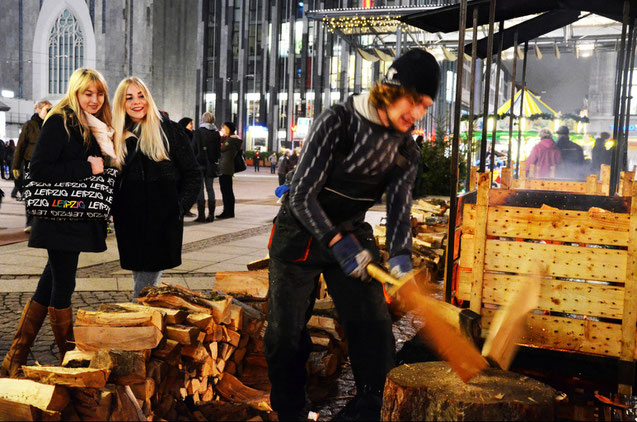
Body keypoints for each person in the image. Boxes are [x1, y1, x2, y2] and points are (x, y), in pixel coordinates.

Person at [265, 48, 440, 421]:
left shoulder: (405, 149)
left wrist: (400, 259)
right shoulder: (339, 121)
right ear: (391, 90)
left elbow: (398, 212)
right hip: (300, 230)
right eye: (414, 101)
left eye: (425, 106)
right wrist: (333, 240)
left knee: (374, 324)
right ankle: (291, 410)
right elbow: (301, 194)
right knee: (284, 332)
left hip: (351, 228)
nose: (417, 113)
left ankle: (369, 407)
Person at [0, 68, 114, 377]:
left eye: (99, 93)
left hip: (74, 218)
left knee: (50, 280)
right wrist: (86, 167)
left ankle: (15, 356)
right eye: (87, 93)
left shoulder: (92, 124)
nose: (94, 98)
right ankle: (69, 358)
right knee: (64, 283)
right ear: (75, 92)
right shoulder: (60, 121)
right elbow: (39, 169)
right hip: (60, 216)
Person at [111, 77, 200, 298]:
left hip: (161, 218)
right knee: (139, 274)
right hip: (129, 219)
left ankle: (136, 316)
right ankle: (145, 320)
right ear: (121, 103)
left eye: (141, 95)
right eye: (129, 97)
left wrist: (178, 208)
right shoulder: (117, 134)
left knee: (145, 281)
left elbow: (193, 174)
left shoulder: (169, 130)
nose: (136, 102)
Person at [12, 100, 53, 231]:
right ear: (38, 110)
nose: (49, 113)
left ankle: (43, 222)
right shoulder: (29, 125)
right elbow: (20, 146)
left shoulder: (51, 125)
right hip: (30, 164)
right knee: (31, 194)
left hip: (48, 164)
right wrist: (15, 166)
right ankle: (30, 223)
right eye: (47, 110)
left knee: (46, 194)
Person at [192, 111, 221, 222]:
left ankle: (201, 215)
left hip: (200, 164)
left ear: (203, 120)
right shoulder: (216, 133)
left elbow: (193, 147)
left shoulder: (199, 132)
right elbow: (218, 151)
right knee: (210, 189)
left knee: (200, 189)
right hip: (211, 164)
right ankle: (211, 215)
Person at [217, 122, 242, 219]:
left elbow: (221, 149)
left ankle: (227, 211)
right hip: (228, 168)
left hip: (225, 168)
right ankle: (229, 211)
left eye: (225, 128)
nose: (223, 130)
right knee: (228, 191)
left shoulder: (230, 140)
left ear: (229, 129)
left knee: (226, 191)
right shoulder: (233, 140)